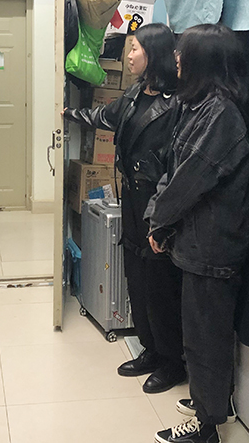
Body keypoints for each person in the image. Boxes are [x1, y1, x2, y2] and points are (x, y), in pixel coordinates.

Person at [64, 23, 186, 393]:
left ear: (154, 53)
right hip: (131, 199)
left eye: (135, 49)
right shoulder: (134, 93)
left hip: (158, 204)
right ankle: (150, 348)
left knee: (160, 284)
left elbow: (177, 163)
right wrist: (68, 113)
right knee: (137, 278)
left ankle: (172, 361)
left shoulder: (178, 102)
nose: (128, 55)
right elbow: (105, 117)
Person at [147, 24, 249, 443]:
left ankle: (206, 428)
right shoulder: (198, 107)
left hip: (212, 248)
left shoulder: (221, 114)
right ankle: (209, 400)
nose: (176, 59)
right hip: (196, 242)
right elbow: (173, 170)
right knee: (201, 333)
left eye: (183, 53)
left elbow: (190, 179)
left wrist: (160, 222)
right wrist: (158, 217)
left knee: (205, 338)